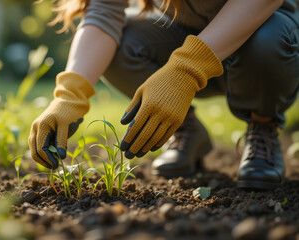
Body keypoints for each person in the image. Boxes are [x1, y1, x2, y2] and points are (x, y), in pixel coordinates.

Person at [28, 0, 299, 190]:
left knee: (268, 39)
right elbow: (103, 14)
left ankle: (262, 127)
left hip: (259, 37)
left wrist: (186, 68)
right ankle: (186, 129)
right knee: (124, 43)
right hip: (182, 37)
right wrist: (70, 94)